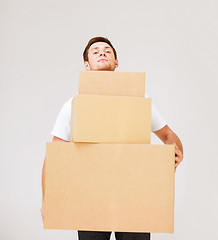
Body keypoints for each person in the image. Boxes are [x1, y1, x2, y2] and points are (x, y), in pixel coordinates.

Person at [41, 37, 184, 240]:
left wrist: (177, 151)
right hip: (90, 198)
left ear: (116, 63)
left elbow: (169, 135)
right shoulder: (74, 104)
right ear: (86, 65)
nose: (102, 53)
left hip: (134, 196)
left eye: (108, 51)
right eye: (95, 51)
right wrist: (47, 199)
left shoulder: (138, 101)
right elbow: (55, 157)